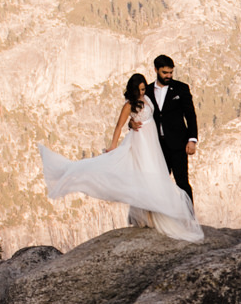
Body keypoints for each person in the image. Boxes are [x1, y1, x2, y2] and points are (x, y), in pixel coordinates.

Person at [37, 72, 203, 241]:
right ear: (133, 90)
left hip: (152, 143)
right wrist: (114, 144)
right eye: (139, 90)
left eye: (143, 89)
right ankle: (148, 217)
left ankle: (150, 216)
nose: (142, 92)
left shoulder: (148, 97)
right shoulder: (129, 104)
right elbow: (119, 125)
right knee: (145, 175)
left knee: (153, 176)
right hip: (140, 142)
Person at [147, 53, 199, 204]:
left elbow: (190, 115)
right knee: (159, 182)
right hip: (157, 145)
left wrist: (192, 139)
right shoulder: (149, 91)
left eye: (171, 72)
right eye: (165, 72)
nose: (168, 75)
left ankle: (189, 217)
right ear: (156, 70)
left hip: (178, 144)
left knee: (182, 182)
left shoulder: (181, 88)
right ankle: (162, 216)